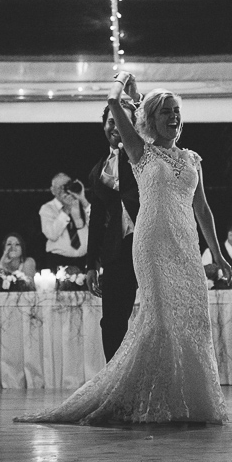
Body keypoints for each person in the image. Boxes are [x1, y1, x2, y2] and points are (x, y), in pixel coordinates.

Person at [16, 72, 232, 425]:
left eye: (176, 111)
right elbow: (113, 102)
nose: (173, 117)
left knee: (192, 321)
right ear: (150, 119)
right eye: (165, 112)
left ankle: (189, 401)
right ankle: (151, 399)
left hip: (186, 246)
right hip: (151, 244)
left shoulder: (193, 159)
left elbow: (203, 209)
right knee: (160, 322)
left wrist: (218, 254)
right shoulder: (139, 152)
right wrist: (122, 79)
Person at [85, 100, 141, 362]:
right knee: (111, 323)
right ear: (103, 125)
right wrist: (91, 264)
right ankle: (115, 383)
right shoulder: (97, 170)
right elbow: (96, 219)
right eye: (111, 121)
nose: (116, 127)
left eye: (123, 121)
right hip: (116, 252)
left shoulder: (142, 158)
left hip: (146, 245)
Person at [40, 173, 91, 269]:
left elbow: (98, 224)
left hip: (84, 260)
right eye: (60, 187)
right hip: (59, 261)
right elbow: (52, 235)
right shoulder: (47, 208)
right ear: (53, 190)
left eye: (67, 185)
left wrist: (83, 199)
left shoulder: (81, 204)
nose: (65, 190)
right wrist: (66, 210)